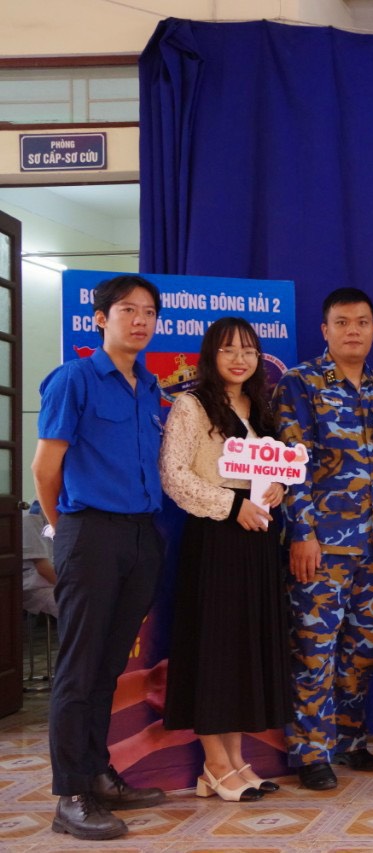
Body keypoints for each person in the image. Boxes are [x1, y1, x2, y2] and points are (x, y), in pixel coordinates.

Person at [32, 274, 167, 840]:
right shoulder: (75, 379)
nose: (140, 320)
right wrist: (67, 532)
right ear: (100, 319)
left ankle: (97, 772)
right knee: (79, 667)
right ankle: (70, 795)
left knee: (109, 665)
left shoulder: (151, 388)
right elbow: (45, 468)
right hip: (90, 533)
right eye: (127, 310)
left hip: (141, 536)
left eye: (149, 312)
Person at [159, 317, 291, 802]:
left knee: (241, 651)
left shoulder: (261, 408)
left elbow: (276, 467)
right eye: (229, 350)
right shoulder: (191, 406)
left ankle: (235, 761)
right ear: (210, 355)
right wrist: (232, 506)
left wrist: (277, 488)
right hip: (215, 541)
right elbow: (174, 476)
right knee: (215, 650)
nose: (240, 359)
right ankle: (214, 764)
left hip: (258, 542)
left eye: (249, 351)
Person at [273, 287, 373, 790]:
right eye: (342, 322)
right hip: (322, 544)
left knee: (364, 649)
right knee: (314, 649)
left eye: (361, 322)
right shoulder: (300, 384)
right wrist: (302, 533)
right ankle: (310, 751)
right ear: (325, 330)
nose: (353, 331)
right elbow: (291, 465)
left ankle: (349, 740)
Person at [21, 501, 58, 618]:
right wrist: (73, 588)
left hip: (60, 578)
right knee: (83, 607)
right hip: (38, 585)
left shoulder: (66, 511)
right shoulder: (31, 518)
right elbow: (43, 569)